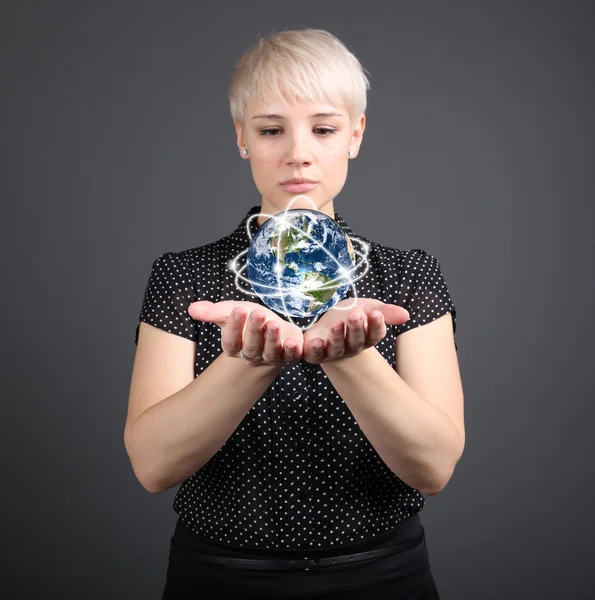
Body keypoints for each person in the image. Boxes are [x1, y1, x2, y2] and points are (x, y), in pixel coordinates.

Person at [125, 28, 464, 599]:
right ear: (242, 138)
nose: (298, 152)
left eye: (324, 129)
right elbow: (153, 467)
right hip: (219, 580)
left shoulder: (408, 277)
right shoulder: (183, 278)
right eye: (270, 130)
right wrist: (250, 362)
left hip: (384, 578)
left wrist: (349, 359)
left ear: (355, 135)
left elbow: (433, 468)